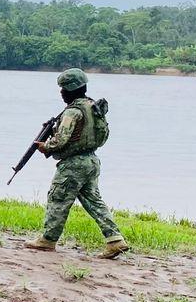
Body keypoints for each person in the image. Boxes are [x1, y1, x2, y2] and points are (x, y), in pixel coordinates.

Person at [22, 69, 128, 259]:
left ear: (70, 90)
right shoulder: (94, 107)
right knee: (94, 201)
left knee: (58, 199)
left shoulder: (73, 112)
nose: (61, 93)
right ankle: (115, 240)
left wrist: (45, 146)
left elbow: (60, 140)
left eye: (63, 89)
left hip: (73, 164)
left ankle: (48, 240)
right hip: (92, 160)